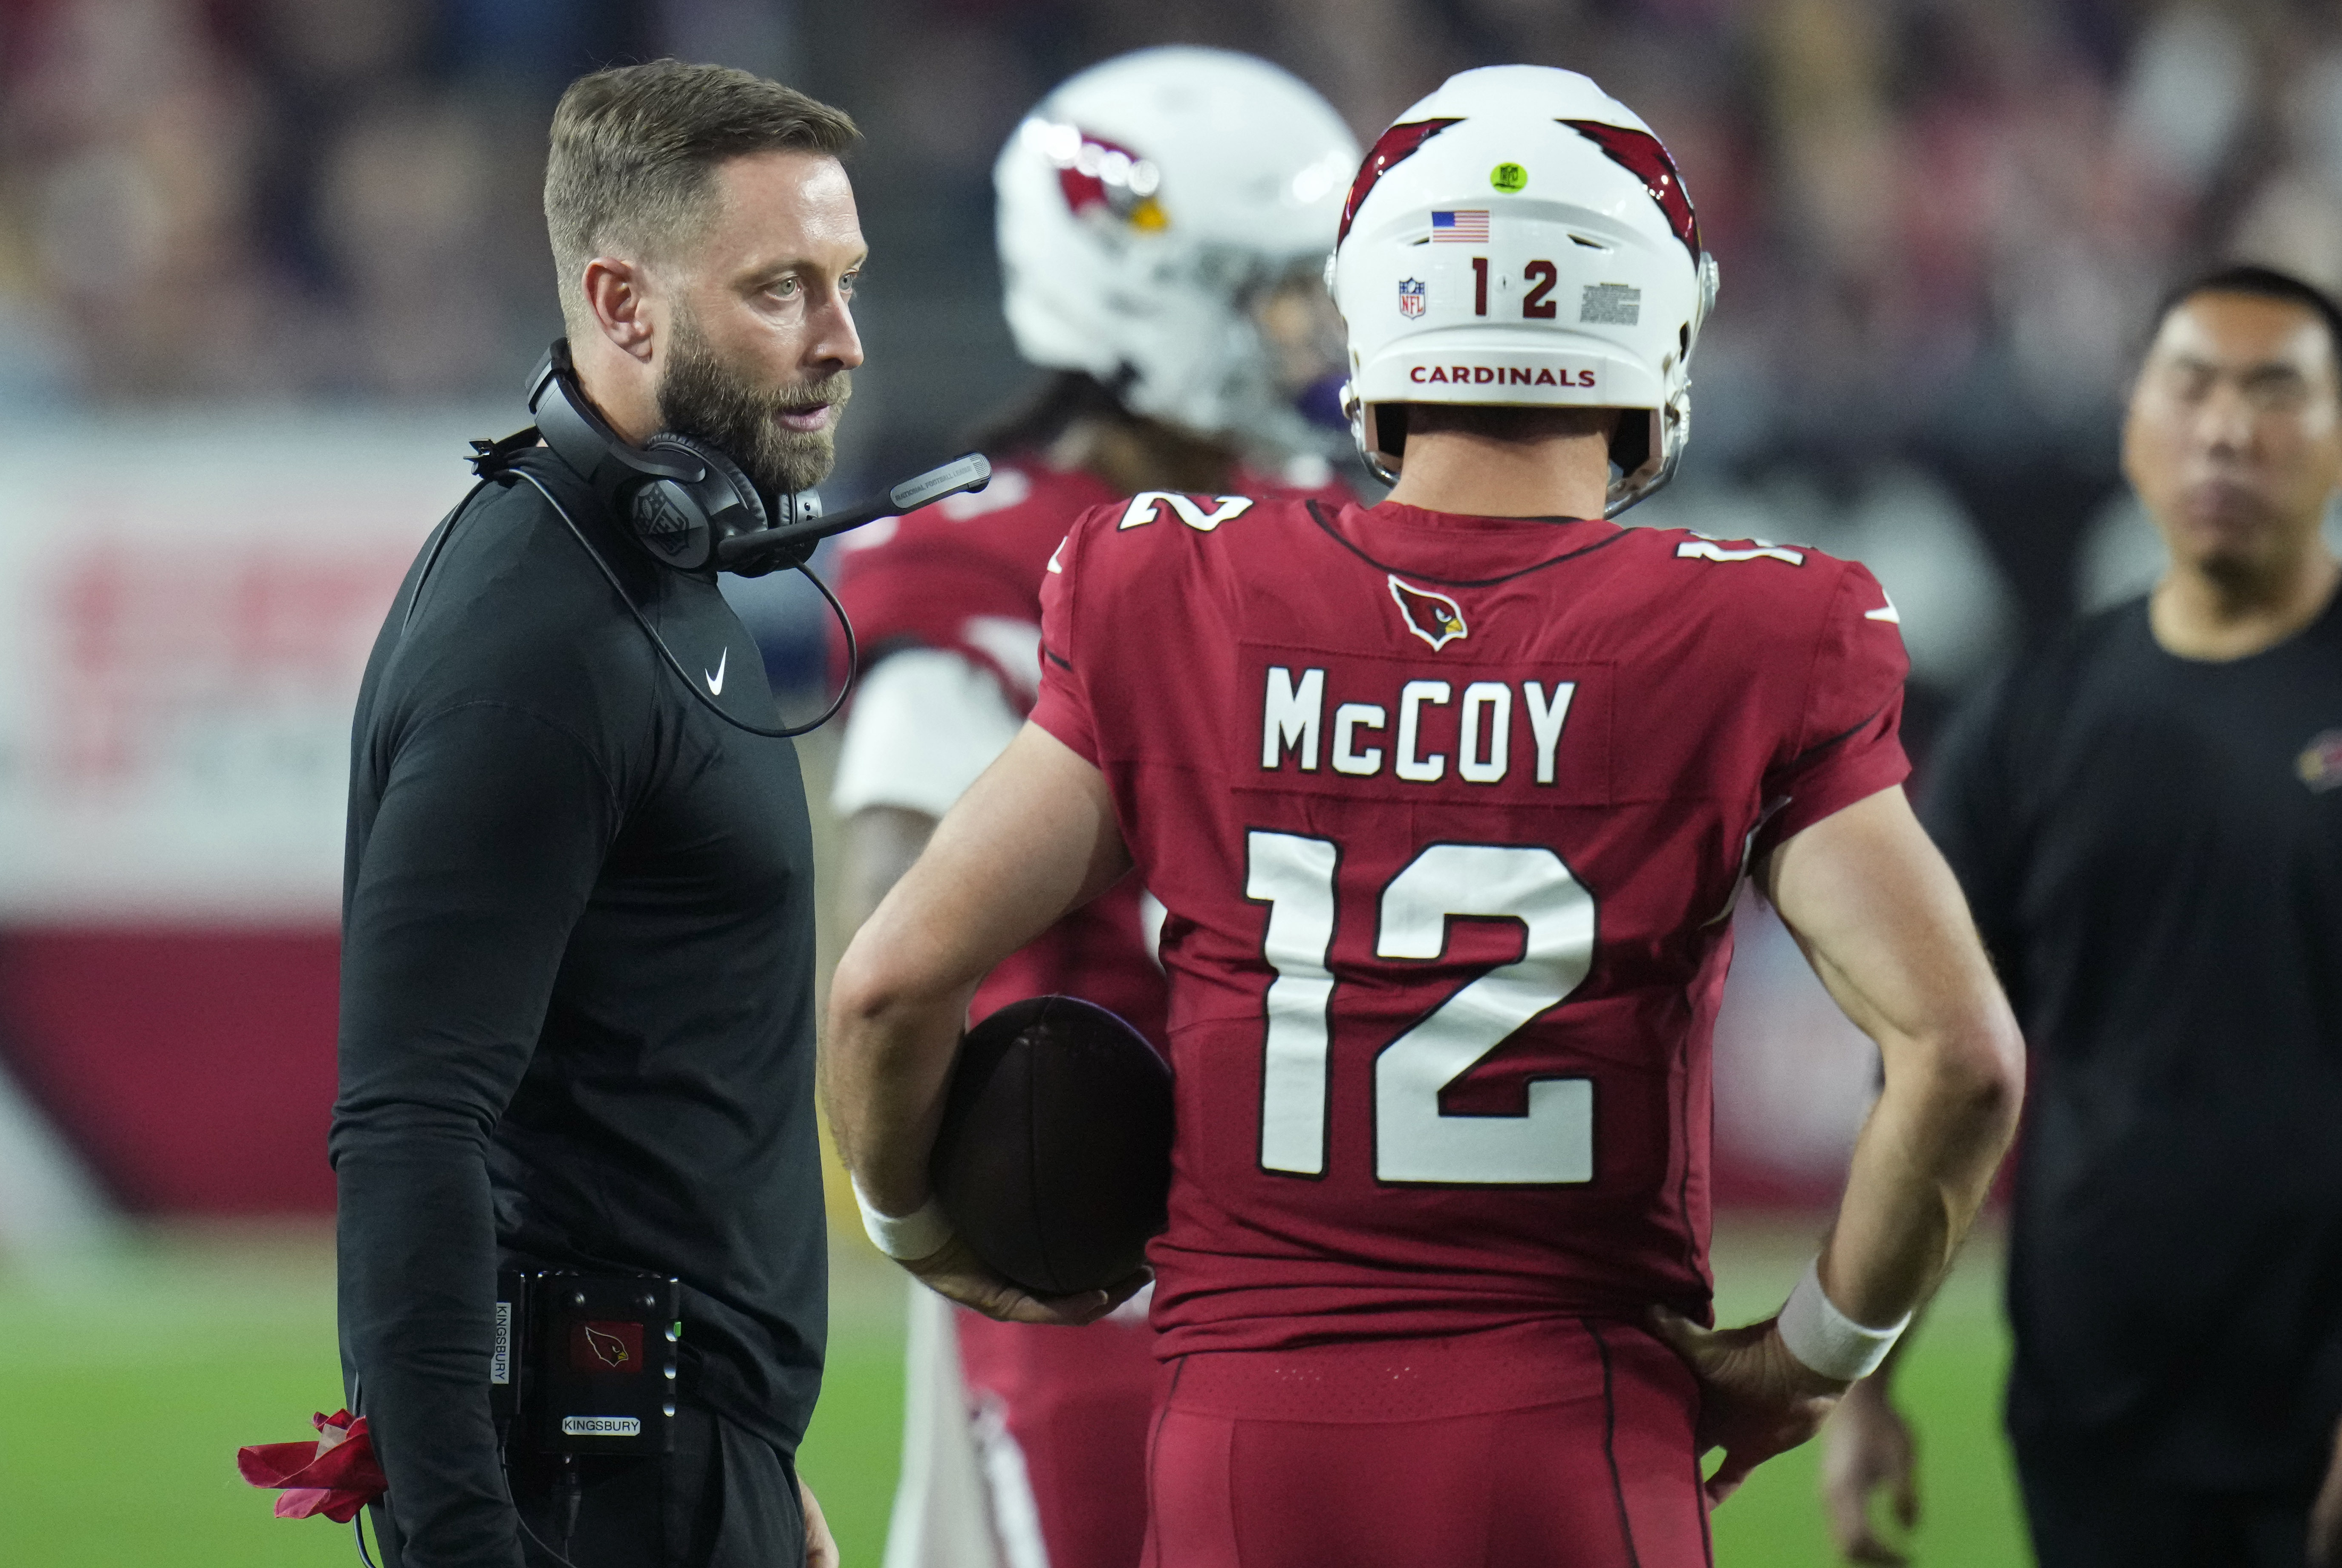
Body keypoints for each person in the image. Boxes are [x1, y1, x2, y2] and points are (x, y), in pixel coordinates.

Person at [823, 64, 2024, 1568]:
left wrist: (925, 1241)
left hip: (1240, 1444)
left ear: (1373, 307)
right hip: (1573, 1430)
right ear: (1659, 321)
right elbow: (1965, 1056)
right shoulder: (1760, 629)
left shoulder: (1163, 583)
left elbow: (882, 982)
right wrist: (1816, 1356)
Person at [828, 47, 1357, 1568]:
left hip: (1318, 1237)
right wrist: (931, 1212)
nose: (1313, 327)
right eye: (1274, 290)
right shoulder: (982, 549)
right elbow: (885, 916)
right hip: (1101, 1237)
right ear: (1147, 288)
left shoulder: (1336, 519)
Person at [332, 60, 859, 1568]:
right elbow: (408, 1123)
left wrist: (743, 1448)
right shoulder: (537, 648)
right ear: (625, 306)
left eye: (844, 281)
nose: (843, 342)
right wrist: (461, 1544)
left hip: (678, 1462)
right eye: (783, 290)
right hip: (590, 1498)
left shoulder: (645, 572)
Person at [1826, 263, 2342, 1568]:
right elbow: (1924, 1061)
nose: (2225, 426)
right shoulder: (2034, 715)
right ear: (2135, 427)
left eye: (2275, 391)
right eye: (2192, 386)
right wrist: (1865, 1384)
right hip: (2094, 1401)